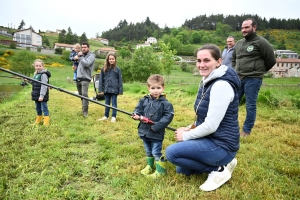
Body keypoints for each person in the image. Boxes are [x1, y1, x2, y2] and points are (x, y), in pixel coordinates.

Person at [166, 44, 241, 191]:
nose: (201, 65)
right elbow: (205, 116)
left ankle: (219, 169)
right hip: (211, 138)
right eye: (199, 61)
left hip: (222, 144)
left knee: (172, 153)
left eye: (206, 60)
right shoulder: (208, 80)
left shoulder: (221, 85)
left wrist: (186, 135)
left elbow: (211, 125)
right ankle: (224, 163)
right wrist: (191, 126)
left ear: (219, 62)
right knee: (182, 170)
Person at [232, 18, 276, 137]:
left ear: (254, 27)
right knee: (232, 103)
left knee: (250, 105)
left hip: (253, 79)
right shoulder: (239, 43)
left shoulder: (261, 42)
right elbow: (234, 59)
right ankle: (231, 127)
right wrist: (235, 70)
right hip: (239, 78)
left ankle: (246, 130)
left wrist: (259, 70)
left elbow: (271, 60)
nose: (244, 30)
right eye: (242, 28)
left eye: (246, 27)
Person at [132, 74, 174, 178]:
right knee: (148, 150)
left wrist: (156, 126)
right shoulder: (144, 100)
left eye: (158, 88)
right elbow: (138, 109)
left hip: (156, 133)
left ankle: (160, 171)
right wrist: (136, 114)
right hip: (144, 131)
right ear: (148, 88)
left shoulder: (166, 104)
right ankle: (150, 166)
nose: (156, 91)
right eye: (153, 88)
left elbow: (168, 117)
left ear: (163, 88)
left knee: (156, 151)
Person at [98, 52, 123, 122]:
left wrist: (120, 91)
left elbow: (120, 81)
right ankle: (106, 115)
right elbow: (100, 80)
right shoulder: (103, 69)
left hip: (115, 90)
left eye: (113, 59)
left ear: (115, 60)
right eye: (110, 59)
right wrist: (100, 89)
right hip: (106, 89)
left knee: (114, 103)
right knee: (107, 103)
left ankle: (113, 117)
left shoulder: (118, 69)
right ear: (107, 60)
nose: (111, 60)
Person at [74, 42, 95, 117]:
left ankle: (85, 112)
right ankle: (84, 108)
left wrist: (80, 57)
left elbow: (86, 64)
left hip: (85, 78)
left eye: (85, 47)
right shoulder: (82, 56)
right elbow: (80, 65)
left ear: (88, 48)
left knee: (84, 95)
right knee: (81, 95)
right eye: (82, 47)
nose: (83, 49)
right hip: (78, 78)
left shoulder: (91, 56)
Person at [31, 59, 51, 126]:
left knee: (44, 108)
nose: (38, 67)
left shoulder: (43, 75)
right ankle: (38, 120)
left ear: (43, 66)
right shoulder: (36, 74)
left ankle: (46, 122)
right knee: (38, 108)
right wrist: (27, 80)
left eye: (40, 66)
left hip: (42, 95)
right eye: (37, 66)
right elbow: (34, 83)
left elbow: (44, 86)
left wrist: (41, 96)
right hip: (36, 94)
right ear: (34, 66)